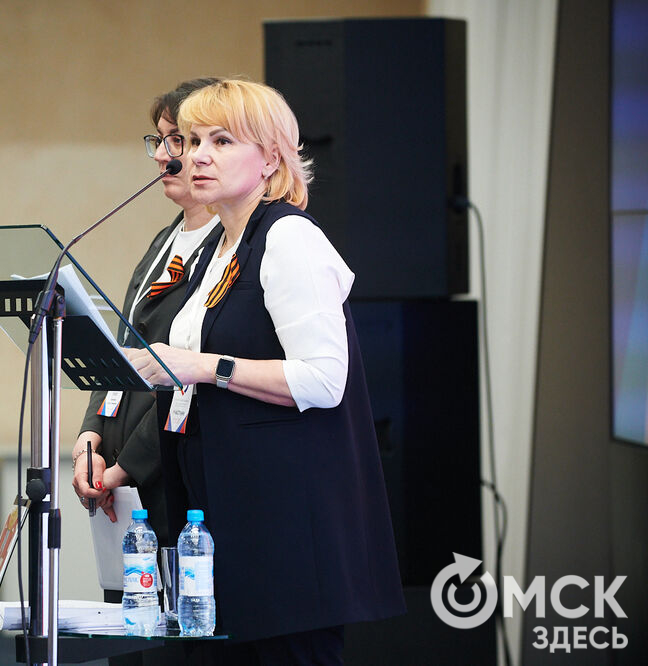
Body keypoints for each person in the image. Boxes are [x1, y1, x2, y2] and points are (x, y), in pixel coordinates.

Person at [125, 79, 406, 665]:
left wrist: (205, 367)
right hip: (225, 519)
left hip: (287, 533)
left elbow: (323, 380)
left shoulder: (289, 238)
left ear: (272, 158)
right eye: (193, 140)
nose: (197, 156)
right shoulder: (218, 248)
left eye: (222, 141)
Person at [71, 80, 223, 547]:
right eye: (158, 140)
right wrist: (89, 439)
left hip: (173, 473)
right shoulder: (166, 240)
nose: (160, 155)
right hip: (119, 474)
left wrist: (125, 468)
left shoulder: (229, 248)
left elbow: (189, 382)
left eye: (175, 140)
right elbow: (122, 350)